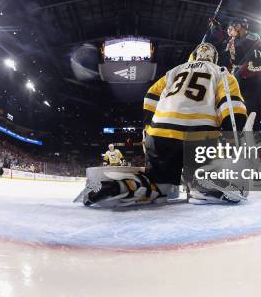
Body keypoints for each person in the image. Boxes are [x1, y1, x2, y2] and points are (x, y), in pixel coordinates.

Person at [83, 43, 248, 207]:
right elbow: (232, 107)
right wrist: (233, 139)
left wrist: (149, 127)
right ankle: (204, 187)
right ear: (215, 59)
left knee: (159, 184)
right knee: (204, 174)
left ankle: (114, 186)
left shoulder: (174, 71)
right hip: (198, 133)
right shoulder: (221, 72)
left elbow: (150, 95)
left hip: (160, 134)